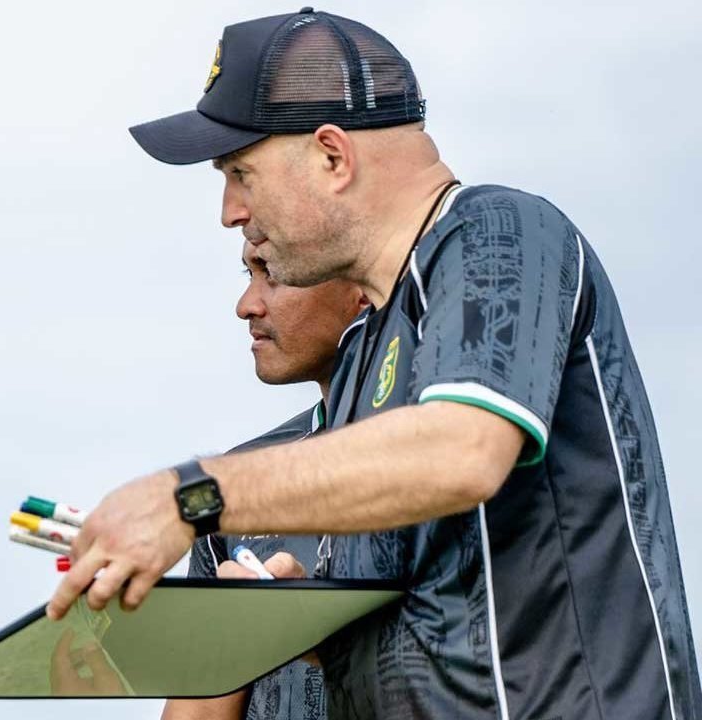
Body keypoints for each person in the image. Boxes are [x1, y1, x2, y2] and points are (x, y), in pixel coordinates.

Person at [49, 9, 701, 719]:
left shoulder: (497, 232)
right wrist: (306, 627)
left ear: (333, 157)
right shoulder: (361, 367)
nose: (230, 211)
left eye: (240, 173)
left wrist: (189, 497)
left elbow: (462, 451)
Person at [162, 242, 367, 720]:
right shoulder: (236, 482)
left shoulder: (459, 465)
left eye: (271, 274)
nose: (246, 305)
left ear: (362, 287)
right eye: (247, 275)